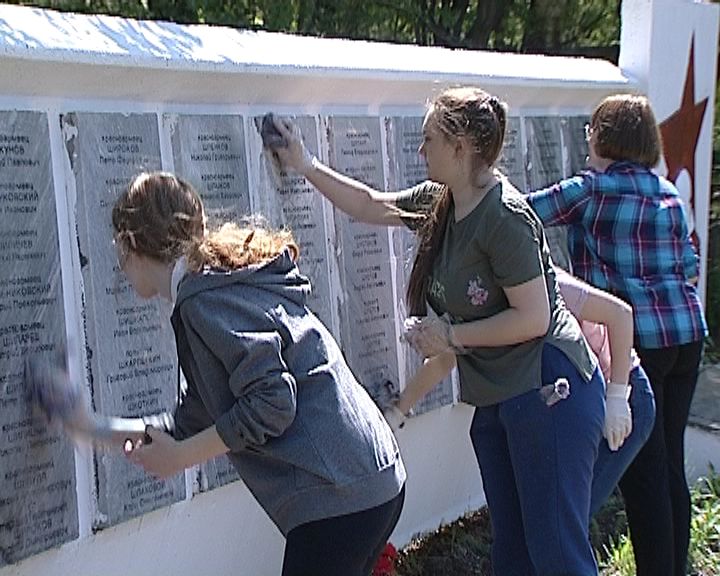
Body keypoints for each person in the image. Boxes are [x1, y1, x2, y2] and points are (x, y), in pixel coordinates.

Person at [270, 87, 608, 576]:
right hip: (500, 397)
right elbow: (369, 205)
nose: (420, 149)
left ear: (461, 146)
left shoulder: (505, 217)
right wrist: (303, 163)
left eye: (429, 138)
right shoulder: (440, 202)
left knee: (557, 553)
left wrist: (449, 336)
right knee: (512, 555)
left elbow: (533, 319)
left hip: (547, 390)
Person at [111, 171, 406, 576]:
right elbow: (197, 416)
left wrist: (180, 457)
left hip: (340, 494)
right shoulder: (217, 286)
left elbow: (273, 402)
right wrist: (103, 429)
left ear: (130, 242)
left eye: (118, 251)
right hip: (371, 477)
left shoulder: (202, 301)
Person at [527, 93, 708, 576]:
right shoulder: (668, 192)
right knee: (670, 466)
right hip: (685, 334)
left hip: (636, 340)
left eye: (591, 130)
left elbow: (514, 216)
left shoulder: (592, 190)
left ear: (602, 137)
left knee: (643, 474)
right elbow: (689, 267)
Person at [386, 268, 656, 516]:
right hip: (567, 407)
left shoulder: (546, 285)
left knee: (566, 520)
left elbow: (620, 314)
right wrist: (397, 411)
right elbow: (446, 358)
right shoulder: (487, 300)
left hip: (622, 396)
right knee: (549, 521)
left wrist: (617, 397)